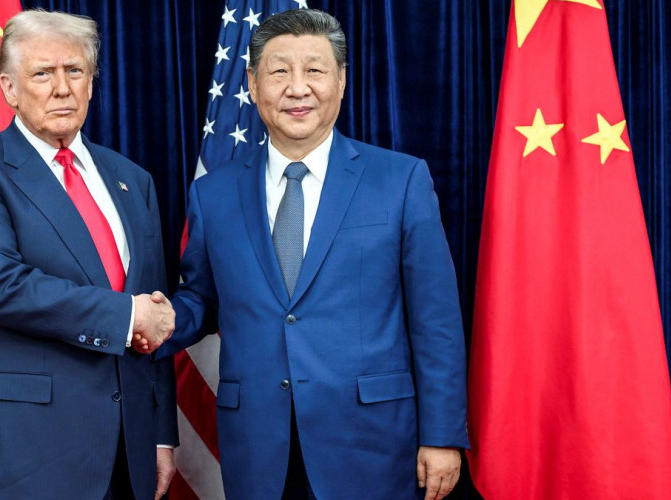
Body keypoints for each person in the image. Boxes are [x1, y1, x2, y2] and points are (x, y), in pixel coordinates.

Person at [155, 8, 468, 500]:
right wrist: (152, 321)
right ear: (254, 85)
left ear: (341, 82)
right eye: (279, 71)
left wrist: (443, 435)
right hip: (258, 444)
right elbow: (202, 299)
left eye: (314, 70)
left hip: (371, 441)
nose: (297, 88)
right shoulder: (213, 194)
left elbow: (437, 321)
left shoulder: (401, 180)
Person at [0, 9, 178, 500]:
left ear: (90, 83)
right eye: (42, 73)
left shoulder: (133, 180)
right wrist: (127, 314)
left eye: (75, 71)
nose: (61, 88)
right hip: (19, 449)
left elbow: (155, 311)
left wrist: (161, 431)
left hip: (126, 451)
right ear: (9, 88)